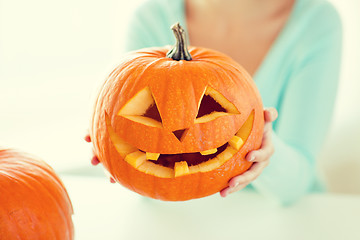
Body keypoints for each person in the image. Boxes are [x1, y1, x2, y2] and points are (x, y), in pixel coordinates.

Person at [86, 0, 342, 205]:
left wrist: (263, 151)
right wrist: (107, 140)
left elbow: (295, 185)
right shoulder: (150, 17)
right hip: (170, 222)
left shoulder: (316, 22)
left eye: (210, 111)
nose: (180, 132)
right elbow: (128, 143)